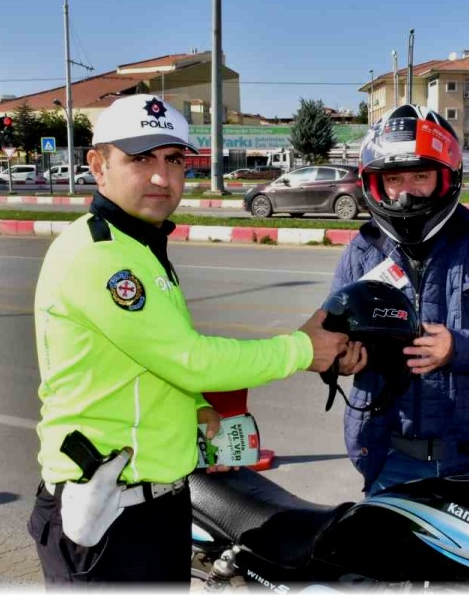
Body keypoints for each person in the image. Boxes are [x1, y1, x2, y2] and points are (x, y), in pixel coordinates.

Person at [27, 94, 355, 583]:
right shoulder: (100, 255)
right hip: (108, 515)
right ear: (97, 165)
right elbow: (189, 358)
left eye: (174, 159)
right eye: (140, 159)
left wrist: (196, 409)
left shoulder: (139, 244)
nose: (161, 176)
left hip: (155, 503)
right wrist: (303, 349)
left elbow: (146, 363)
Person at [330, 104, 469, 495]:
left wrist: (458, 346)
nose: (406, 193)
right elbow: (332, 334)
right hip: (389, 458)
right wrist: (341, 358)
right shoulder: (361, 252)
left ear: (446, 177)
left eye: (421, 176)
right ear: (375, 183)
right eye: (394, 179)